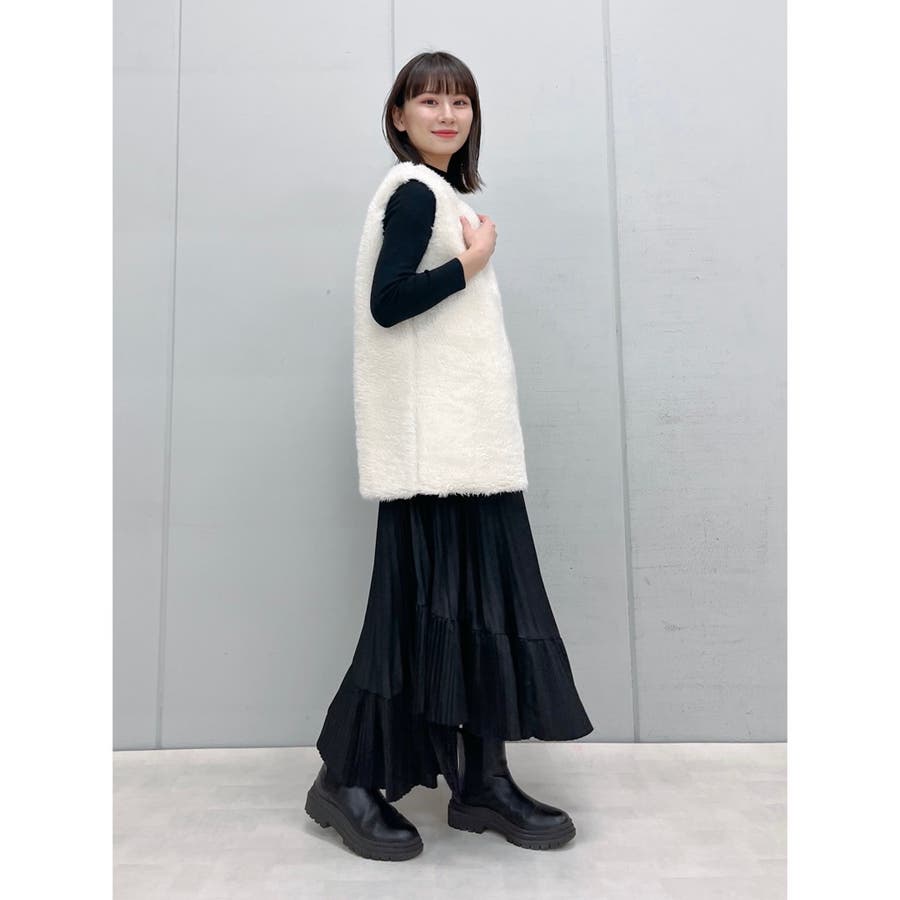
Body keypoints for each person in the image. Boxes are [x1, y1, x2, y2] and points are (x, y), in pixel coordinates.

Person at [304, 51, 593, 861]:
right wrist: (470, 265)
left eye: (459, 101)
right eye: (428, 101)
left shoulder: (442, 194)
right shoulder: (412, 193)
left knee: (476, 613)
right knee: (410, 618)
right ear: (399, 117)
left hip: (467, 453)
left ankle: (481, 781)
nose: (446, 114)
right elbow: (388, 302)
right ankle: (344, 779)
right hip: (436, 458)